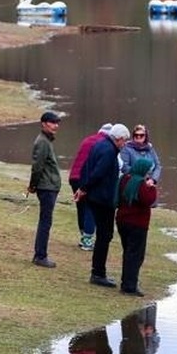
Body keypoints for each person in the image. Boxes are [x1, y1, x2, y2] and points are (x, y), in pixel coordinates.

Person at [75, 123, 130, 287]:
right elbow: (98, 172)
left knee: (103, 235)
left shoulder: (99, 145)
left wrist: (83, 188)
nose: (125, 144)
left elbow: (86, 167)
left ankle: (98, 272)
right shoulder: (109, 151)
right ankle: (98, 273)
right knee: (105, 235)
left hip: (95, 197)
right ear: (119, 139)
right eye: (125, 141)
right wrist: (84, 188)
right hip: (102, 199)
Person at [116, 157, 158, 297]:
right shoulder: (141, 185)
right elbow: (149, 200)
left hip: (122, 221)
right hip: (137, 224)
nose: (149, 174)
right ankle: (129, 286)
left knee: (128, 252)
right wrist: (152, 188)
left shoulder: (124, 179)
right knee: (135, 255)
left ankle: (126, 282)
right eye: (148, 171)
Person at [70, 123, 112, 251]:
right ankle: (87, 240)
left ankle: (83, 235)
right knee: (90, 207)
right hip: (86, 178)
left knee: (81, 207)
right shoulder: (105, 144)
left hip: (74, 177)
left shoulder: (88, 139)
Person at [28, 111, 61, 268]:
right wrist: (33, 185)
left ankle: (40, 254)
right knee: (45, 222)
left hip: (49, 186)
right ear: (44, 123)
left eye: (57, 123)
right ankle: (40, 255)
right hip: (46, 187)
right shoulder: (42, 142)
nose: (56, 126)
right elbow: (37, 167)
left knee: (46, 221)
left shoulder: (47, 141)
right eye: (53, 122)